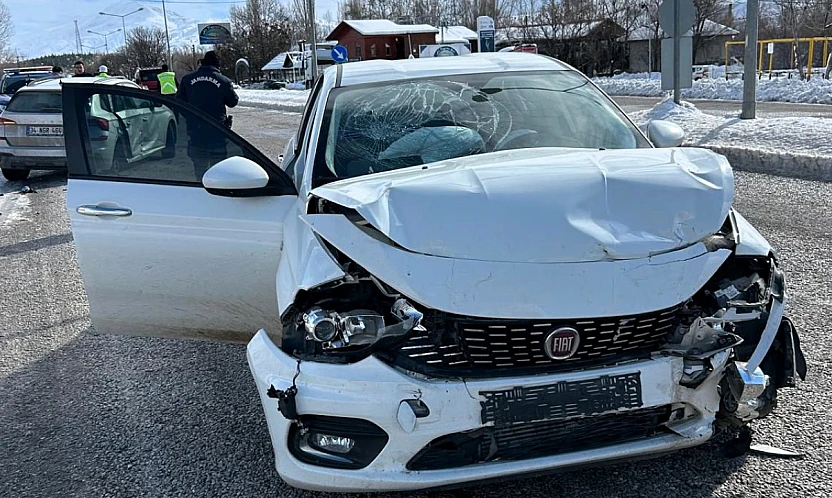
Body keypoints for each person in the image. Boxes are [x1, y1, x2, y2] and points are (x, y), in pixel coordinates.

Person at [175, 51, 239, 179]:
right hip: (218, 131)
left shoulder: (187, 80)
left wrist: (190, 117)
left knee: (199, 170)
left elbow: (179, 103)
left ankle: (201, 187)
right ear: (217, 65)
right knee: (219, 169)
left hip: (195, 131)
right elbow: (232, 102)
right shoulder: (224, 81)